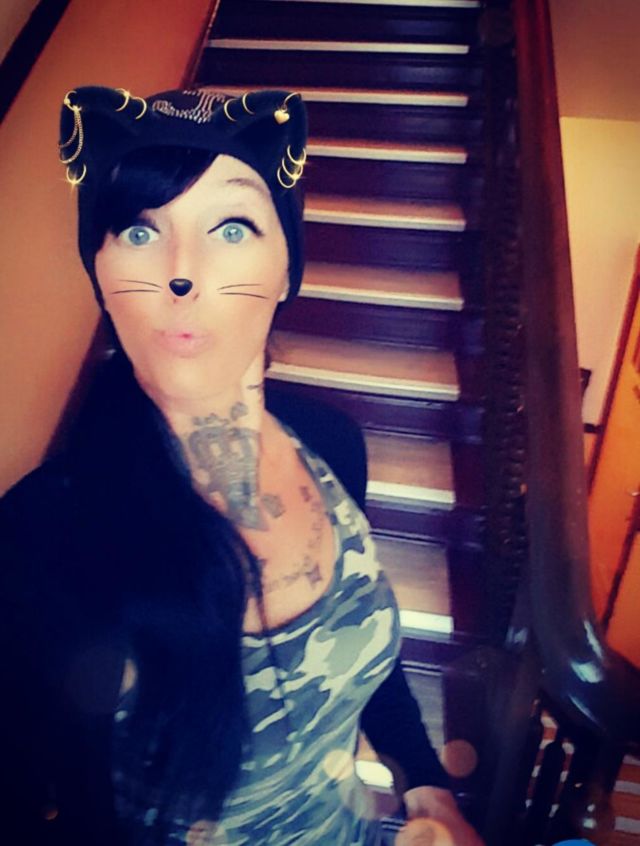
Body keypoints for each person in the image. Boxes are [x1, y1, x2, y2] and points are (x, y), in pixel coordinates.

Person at [0, 86, 484, 846]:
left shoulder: (331, 442)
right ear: (99, 273)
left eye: (232, 227)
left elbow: (358, 646)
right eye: (139, 230)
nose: (181, 274)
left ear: (288, 268)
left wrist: (427, 785)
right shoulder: (40, 535)